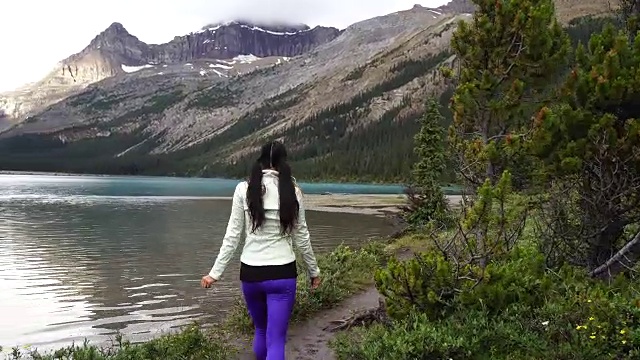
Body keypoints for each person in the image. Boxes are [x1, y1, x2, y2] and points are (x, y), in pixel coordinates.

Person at [200, 140, 321, 360]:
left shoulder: (243, 189)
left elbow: (232, 236)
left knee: (261, 330)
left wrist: (214, 274)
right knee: (276, 339)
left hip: (251, 273)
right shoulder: (293, 192)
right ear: (283, 163)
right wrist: (314, 271)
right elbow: (302, 237)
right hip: (283, 273)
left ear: (261, 160)